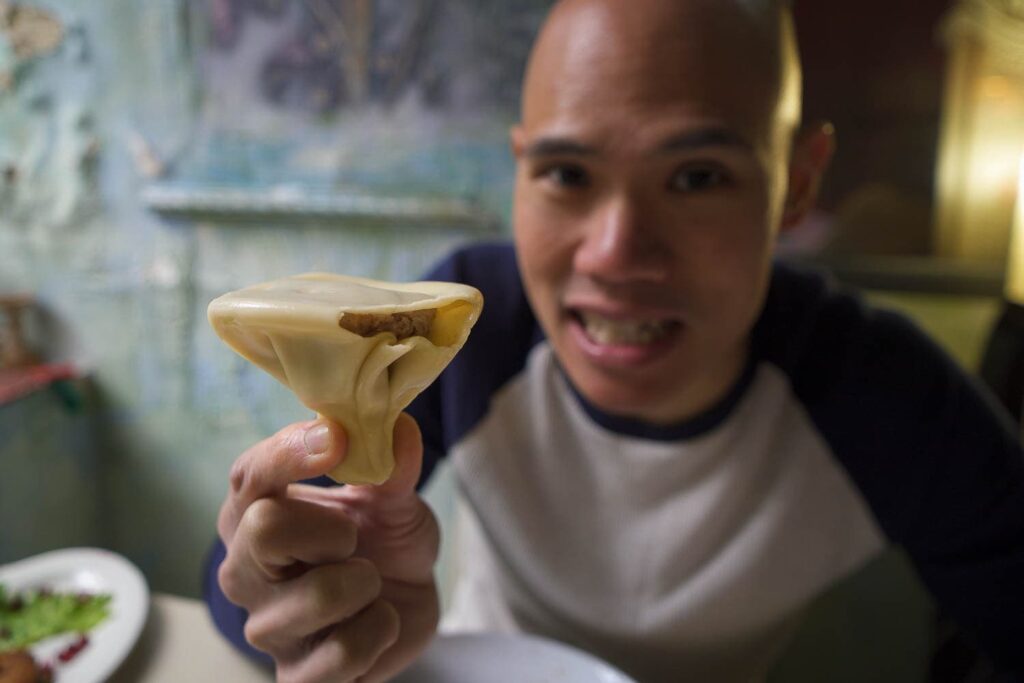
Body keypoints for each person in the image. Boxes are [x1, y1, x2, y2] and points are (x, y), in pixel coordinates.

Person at [204, 0, 1024, 681]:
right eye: (566, 174)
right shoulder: (455, 333)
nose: (616, 253)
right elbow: (233, 592)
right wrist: (315, 597)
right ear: (520, 171)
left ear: (796, 183)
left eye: (697, 176)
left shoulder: (881, 394)